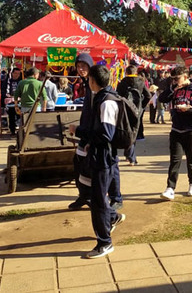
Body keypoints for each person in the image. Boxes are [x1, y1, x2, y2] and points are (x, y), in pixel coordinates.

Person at [70, 64, 126, 258]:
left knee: (98, 201)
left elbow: (106, 134)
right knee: (97, 198)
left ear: (93, 81)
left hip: (104, 158)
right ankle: (113, 217)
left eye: (89, 79)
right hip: (98, 154)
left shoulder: (106, 102)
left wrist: (79, 131)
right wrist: (88, 143)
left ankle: (105, 242)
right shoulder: (101, 98)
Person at [68, 54, 123, 211]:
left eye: (84, 66)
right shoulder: (87, 85)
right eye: (78, 66)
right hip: (87, 133)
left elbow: (105, 128)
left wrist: (84, 133)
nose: (81, 69)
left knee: (111, 167)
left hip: (99, 137)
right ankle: (84, 196)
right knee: (80, 164)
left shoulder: (100, 90)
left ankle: (115, 198)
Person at [158, 66, 192, 200]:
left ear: (186, 77)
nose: (175, 81)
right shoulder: (174, 88)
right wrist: (172, 88)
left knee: (191, 159)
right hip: (176, 128)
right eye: (173, 79)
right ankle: (170, 188)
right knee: (175, 159)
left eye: (177, 79)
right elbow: (162, 99)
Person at [117, 65, 151, 166]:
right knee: (134, 132)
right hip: (137, 110)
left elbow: (118, 96)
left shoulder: (122, 82)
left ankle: (131, 156)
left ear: (126, 72)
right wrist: (142, 106)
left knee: (127, 130)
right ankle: (130, 156)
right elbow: (148, 95)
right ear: (136, 72)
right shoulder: (141, 82)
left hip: (125, 110)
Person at [4, 68, 22, 136]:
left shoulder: (21, 81)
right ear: (12, 73)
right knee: (11, 117)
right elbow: (4, 91)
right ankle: (12, 131)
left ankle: (20, 131)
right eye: (15, 73)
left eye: (18, 74)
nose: (17, 75)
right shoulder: (8, 81)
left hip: (19, 102)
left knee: (20, 116)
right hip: (10, 102)